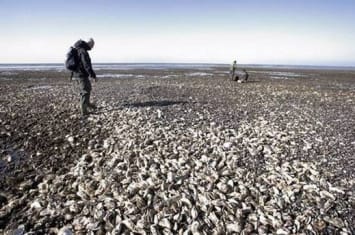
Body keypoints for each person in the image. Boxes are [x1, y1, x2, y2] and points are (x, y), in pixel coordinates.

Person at [73, 38, 97, 116]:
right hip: (81, 74)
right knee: (85, 91)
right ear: (89, 43)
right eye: (92, 45)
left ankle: (87, 103)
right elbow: (86, 65)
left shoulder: (79, 49)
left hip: (79, 74)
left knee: (88, 88)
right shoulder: (83, 51)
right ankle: (84, 111)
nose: (92, 47)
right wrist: (93, 75)